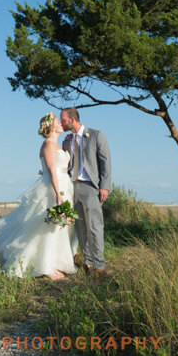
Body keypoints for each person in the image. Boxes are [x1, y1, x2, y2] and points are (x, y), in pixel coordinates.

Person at [0, 113, 78, 279]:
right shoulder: (47, 144)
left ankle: (54, 262)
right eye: (57, 121)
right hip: (53, 188)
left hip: (64, 186)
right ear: (51, 126)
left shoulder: (58, 144)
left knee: (57, 226)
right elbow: (52, 171)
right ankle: (45, 266)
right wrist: (58, 194)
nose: (61, 123)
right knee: (44, 226)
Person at [59, 107, 111, 277]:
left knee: (95, 226)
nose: (61, 123)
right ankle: (88, 261)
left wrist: (105, 186)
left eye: (63, 120)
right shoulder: (67, 140)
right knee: (80, 227)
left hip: (91, 187)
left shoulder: (96, 135)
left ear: (72, 120)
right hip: (72, 187)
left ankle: (100, 263)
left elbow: (106, 162)